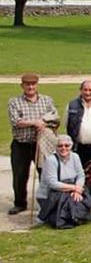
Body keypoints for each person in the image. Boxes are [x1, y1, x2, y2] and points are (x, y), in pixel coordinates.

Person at [8, 73, 58, 215]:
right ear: (22, 85)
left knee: (45, 173)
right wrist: (35, 122)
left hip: (41, 144)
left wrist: (44, 122)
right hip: (21, 144)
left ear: (37, 85)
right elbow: (16, 121)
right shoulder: (14, 102)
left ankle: (47, 202)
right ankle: (20, 203)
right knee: (20, 175)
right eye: (27, 84)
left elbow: (55, 117)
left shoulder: (47, 100)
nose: (30, 87)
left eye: (33, 84)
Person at [36, 135, 91, 228]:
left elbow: (81, 175)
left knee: (82, 196)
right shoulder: (51, 160)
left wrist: (77, 190)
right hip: (52, 195)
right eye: (60, 146)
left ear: (71, 146)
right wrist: (74, 188)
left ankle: (75, 216)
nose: (64, 148)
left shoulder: (75, 157)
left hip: (71, 190)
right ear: (56, 147)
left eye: (67, 146)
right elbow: (52, 183)